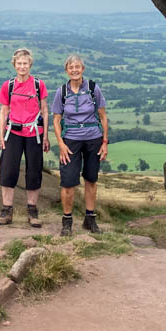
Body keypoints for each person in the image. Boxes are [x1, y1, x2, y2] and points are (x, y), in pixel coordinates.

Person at [52, 54, 109, 236]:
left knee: (91, 179)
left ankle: (90, 219)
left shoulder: (93, 88)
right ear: (66, 71)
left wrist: (105, 142)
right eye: (71, 67)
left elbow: (103, 116)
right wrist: (61, 144)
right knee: (68, 182)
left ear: (83, 69)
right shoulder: (62, 92)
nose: (74, 70)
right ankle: (67, 221)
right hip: (70, 140)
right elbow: (56, 119)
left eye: (77, 67)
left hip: (93, 138)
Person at [0, 48, 50, 227]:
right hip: (13, 133)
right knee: (8, 171)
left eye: (25, 63)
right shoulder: (8, 86)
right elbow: (4, 112)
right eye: (19, 63)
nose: (22, 66)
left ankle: (32, 212)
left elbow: (45, 110)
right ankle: (6, 211)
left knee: (34, 171)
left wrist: (46, 136)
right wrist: (1, 135)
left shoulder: (38, 85)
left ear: (30, 64)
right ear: (14, 65)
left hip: (34, 133)